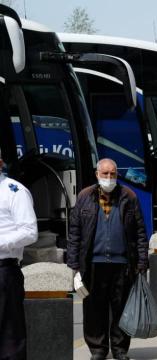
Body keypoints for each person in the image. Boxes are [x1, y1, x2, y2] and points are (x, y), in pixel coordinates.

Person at [67, 158, 148, 360]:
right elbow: (75, 232)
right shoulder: (85, 196)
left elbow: (140, 231)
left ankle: (120, 349)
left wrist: (142, 262)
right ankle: (98, 349)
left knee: (121, 308)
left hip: (122, 264)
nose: (109, 178)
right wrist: (74, 264)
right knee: (94, 309)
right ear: (97, 175)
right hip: (93, 264)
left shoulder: (129, 196)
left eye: (113, 174)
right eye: (105, 174)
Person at [0, 148, 38, 360]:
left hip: (3, 270)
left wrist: (2, 243)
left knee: (9, 337)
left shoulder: (14, 191)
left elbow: (29, 231)